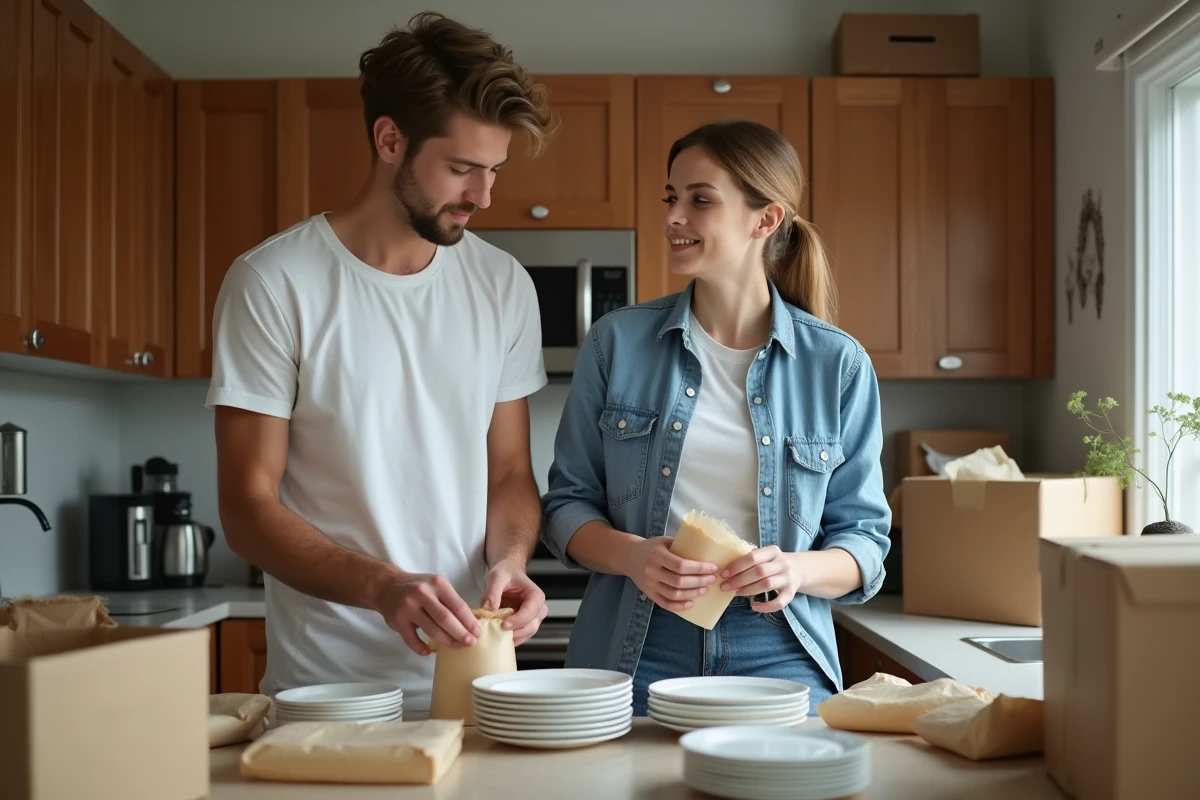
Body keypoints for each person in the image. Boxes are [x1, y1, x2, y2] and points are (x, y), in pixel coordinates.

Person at [206, 12, 558, 717]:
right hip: (328, 699)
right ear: (390, 140)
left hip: (476, 691)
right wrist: (382, 586)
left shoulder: (503, 286)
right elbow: (247, 507)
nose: (484, 196)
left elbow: (510, 474)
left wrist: (511, 561)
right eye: (461, 169)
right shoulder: (274, 282)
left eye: (493, 170)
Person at [541, 120, 892, 714]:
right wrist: (634, 556)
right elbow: (566, 506)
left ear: (766, 219)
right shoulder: (615, 343)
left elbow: (864, 542)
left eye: (700, 200)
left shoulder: (837, 363)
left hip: (779, 645)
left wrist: (794, 570)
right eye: (671, 198)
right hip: (637, 642)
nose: (673, 217)